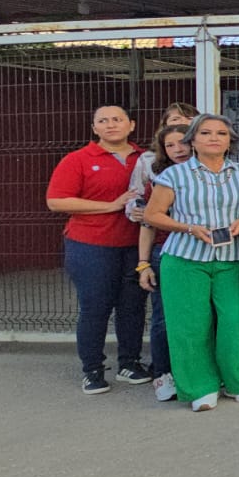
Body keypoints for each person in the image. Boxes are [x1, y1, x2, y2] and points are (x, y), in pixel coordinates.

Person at [143, 114, 239, 412]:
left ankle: (237, 381)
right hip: (185, 258)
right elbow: (153, 215)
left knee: (233, 321)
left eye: (221, 133)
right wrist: (189, 228)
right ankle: (199, 387)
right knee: (190, 325)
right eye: (205, 133)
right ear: (192, 140)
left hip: (232, 257)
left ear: (230, 140)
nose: (213, 138)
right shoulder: (174, 175)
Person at [46, 104, 151, 395]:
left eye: (117, 119)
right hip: (91, 246)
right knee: (95, 308)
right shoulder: (78, 160)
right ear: (94, 128)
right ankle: (92, 369)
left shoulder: (147, 158)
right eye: (102, 121)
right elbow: (57, 201)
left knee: (132, 307)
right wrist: (110, 206)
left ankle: (130, 363)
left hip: (135, 245)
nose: (110, 125)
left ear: (131, 124)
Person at [126, 101, 199, 402]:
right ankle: (163, 373)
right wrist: (143, 264)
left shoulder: (215, 174)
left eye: (183, 142)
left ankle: (197, 370)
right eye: (170, 145)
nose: (178, 149)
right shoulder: (158, 181)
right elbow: (147, 224)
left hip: (205, 254)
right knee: (164, 317)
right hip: (165, 253)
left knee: (200, 316)